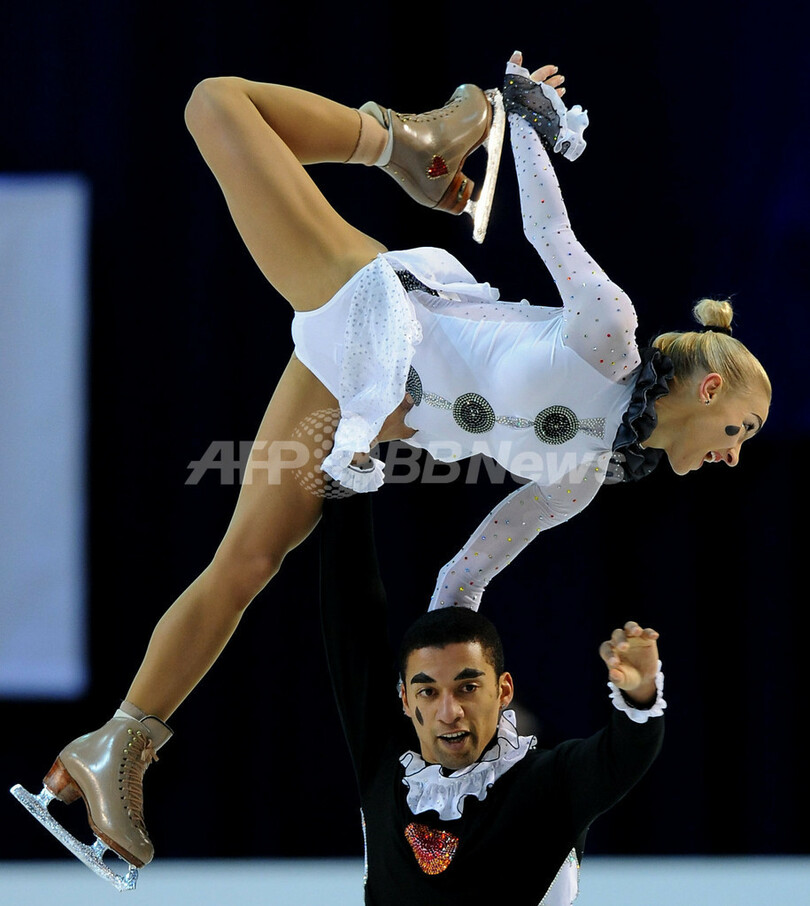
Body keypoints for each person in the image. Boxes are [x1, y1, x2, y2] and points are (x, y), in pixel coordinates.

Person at [11, 50, 765, 883]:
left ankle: (117, 744)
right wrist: (518, 120)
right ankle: (409, 138)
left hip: (357, 400)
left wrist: (458, 709)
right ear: (709, 388)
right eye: (740, 429)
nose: (733, 454)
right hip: (377, 312)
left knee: (247, 562)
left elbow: (462, 580)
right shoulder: (609, 334)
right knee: (215, 106)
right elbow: (548, 233)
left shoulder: (580, 482)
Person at [319, 493, 665, 905]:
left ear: (503, 691)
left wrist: (640, 692)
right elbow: (349, 611)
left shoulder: (548, 783)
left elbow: (625, 753)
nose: (449, 712)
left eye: (467, 688)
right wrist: (352, 475)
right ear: (405, 700)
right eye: (428, 692)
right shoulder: (383, 761)